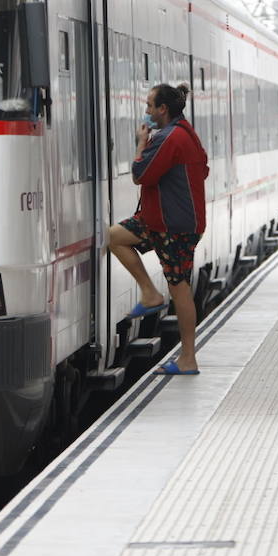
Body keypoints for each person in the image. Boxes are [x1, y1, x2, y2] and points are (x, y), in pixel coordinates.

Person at [106, 82, 209, 376]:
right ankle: (150, 293)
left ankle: (188, 358)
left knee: (180, 289)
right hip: (160, 220)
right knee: (113, 237)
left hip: (173, 225)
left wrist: (141, 142)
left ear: (163, 109)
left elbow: (141, 175)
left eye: (150, 105)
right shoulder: (184, 132)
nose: (147, 111)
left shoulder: (169, 137)